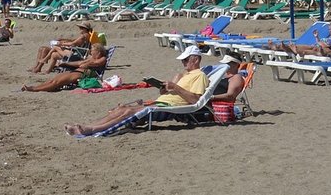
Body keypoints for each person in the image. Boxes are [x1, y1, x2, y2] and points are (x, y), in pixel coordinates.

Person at [66, 45, 211, 138]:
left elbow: (195, 101)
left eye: (185, 60)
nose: (183, 63)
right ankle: (89, 126)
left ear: (196, 59)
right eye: (183, 60)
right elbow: (173, 93)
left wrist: (175, 87)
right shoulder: (185, 75)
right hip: (161, 102)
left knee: (129, 112)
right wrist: (165, 90)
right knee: (122, 108)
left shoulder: (200, 75)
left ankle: (91, 130)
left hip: (171, 108)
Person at [22, 44, 109, 92]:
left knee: (56, 82)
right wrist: (66, 64)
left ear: (98, 52)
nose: (90, 52)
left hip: (82, 74)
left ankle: (33, 89)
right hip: (77, 71)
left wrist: (86, 63)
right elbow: (80, 63)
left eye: (92, 50)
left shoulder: (102, 58)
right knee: (52, 80)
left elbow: (88, 64)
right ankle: (34, 87)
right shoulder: (91, 58)